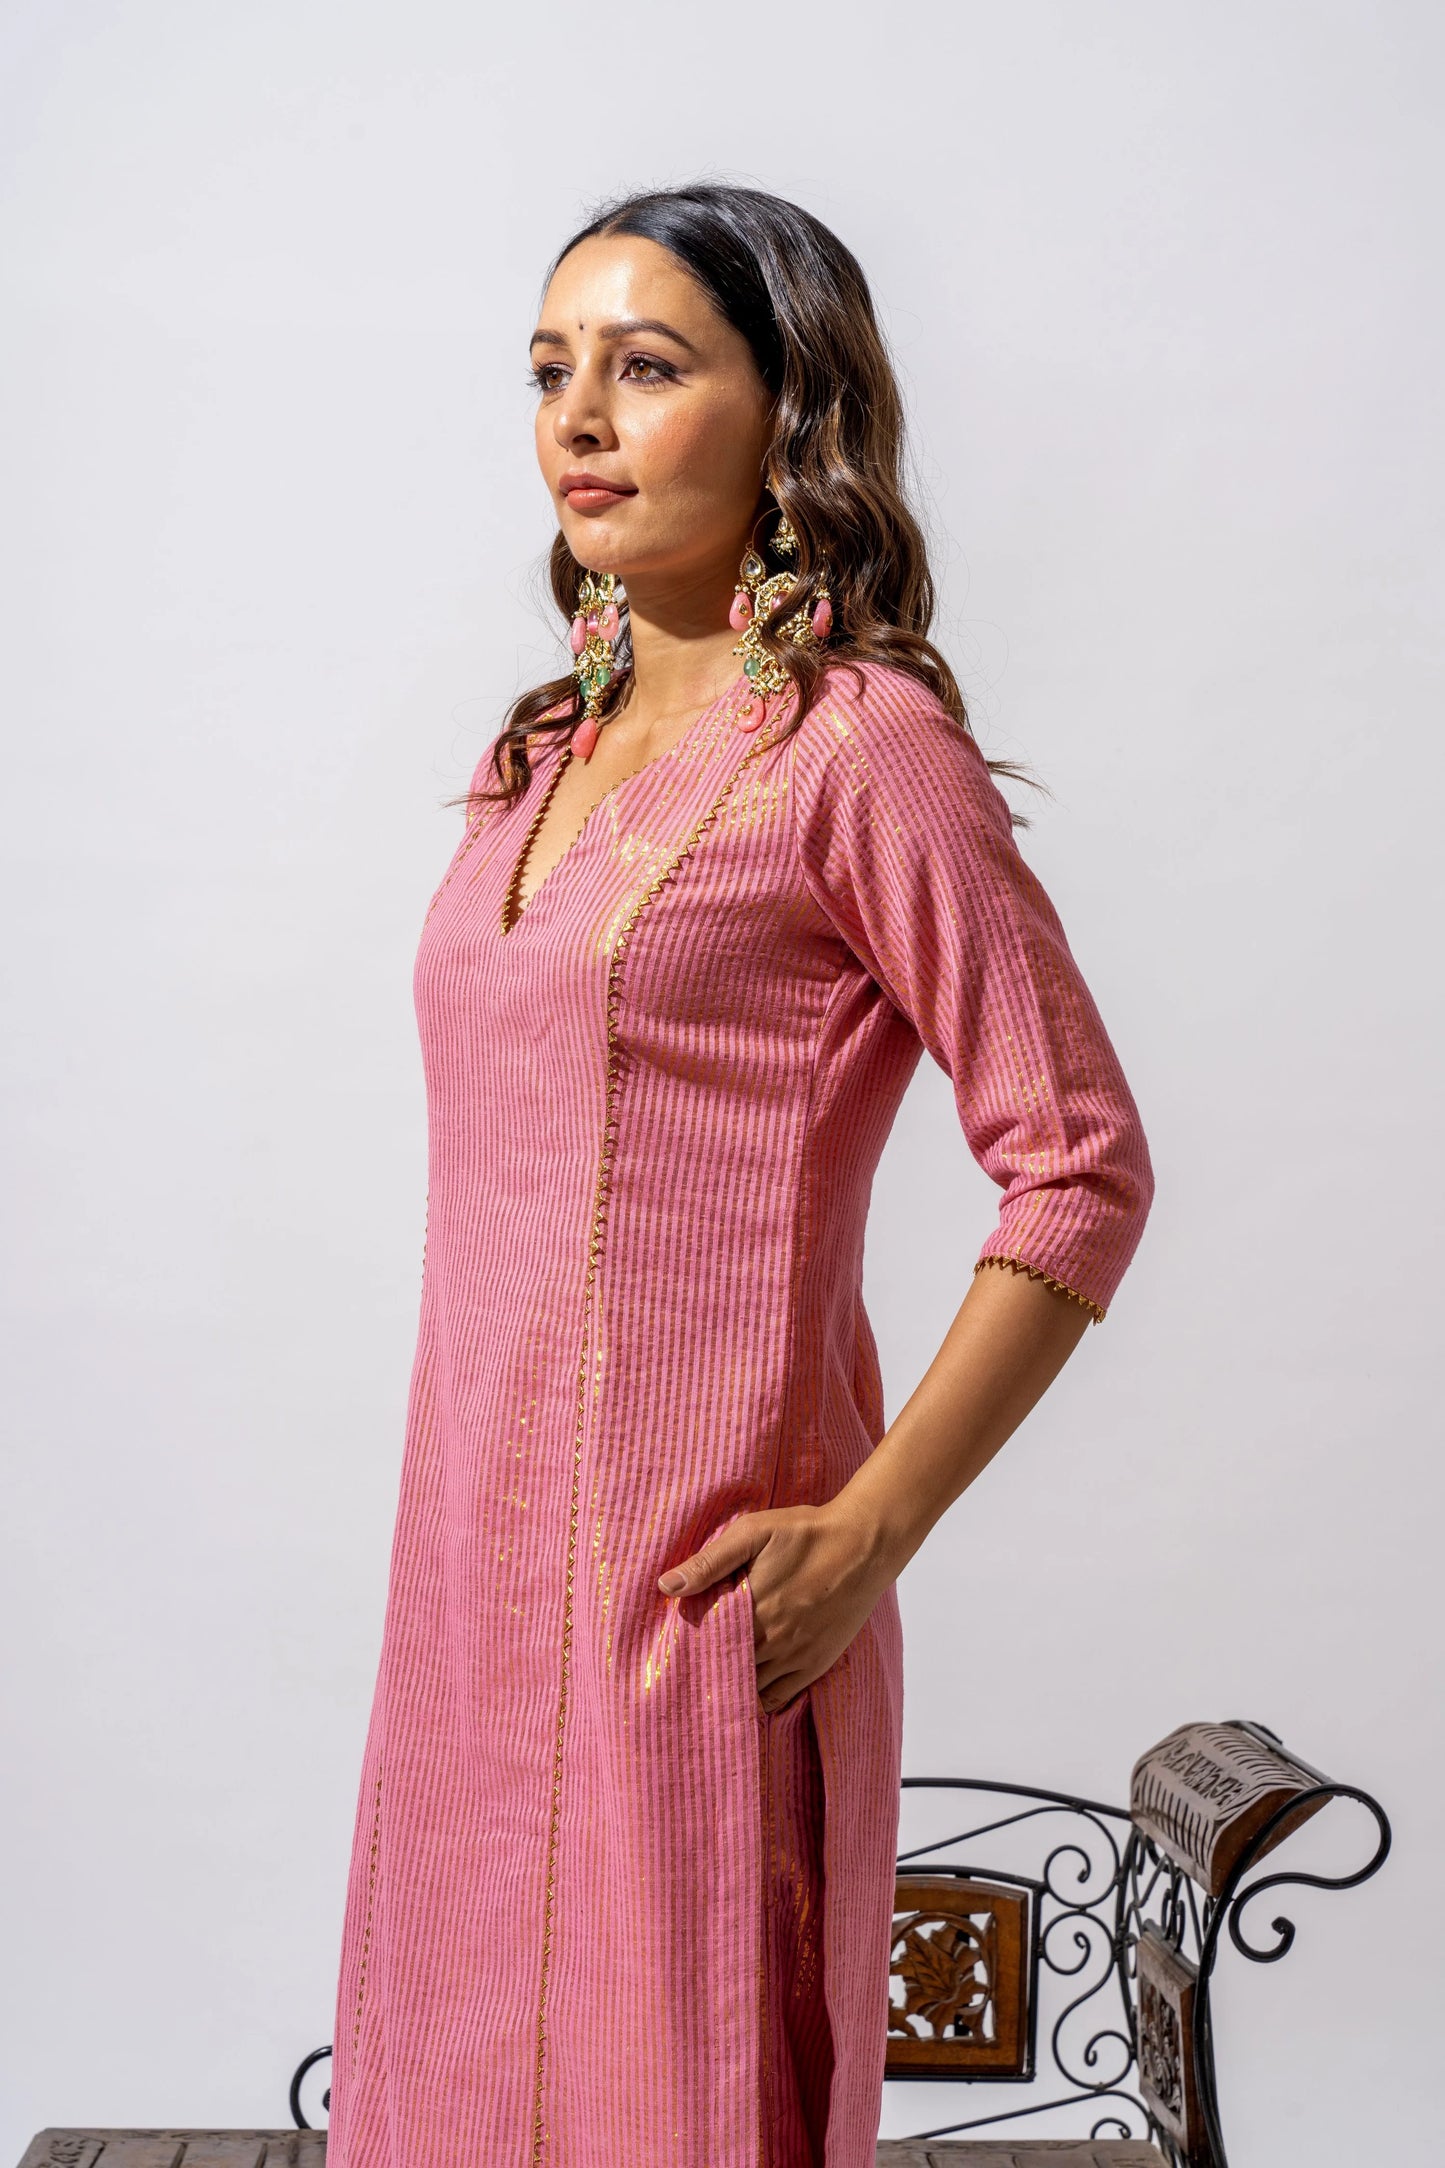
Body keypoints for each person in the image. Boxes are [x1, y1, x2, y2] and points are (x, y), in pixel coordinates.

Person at [325, 183, 1153, 2168]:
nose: (578, 416)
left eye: (647, 366)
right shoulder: (542, 752)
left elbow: (1079, 1166)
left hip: (693, 1616)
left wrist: (870, 1529)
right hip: (466, 1607)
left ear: (791, 413)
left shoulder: (857, 754)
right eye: (552, 369)